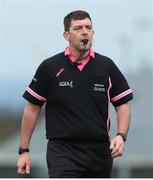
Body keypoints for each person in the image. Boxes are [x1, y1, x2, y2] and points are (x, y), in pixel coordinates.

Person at [17, 10, 133, 178]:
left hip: (99, 152)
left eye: (88, 27)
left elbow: (122, 104)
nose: (85, 32)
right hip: (63, 151)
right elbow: (32, 109)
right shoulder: (50, 67)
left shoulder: (106, 66)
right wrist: (24, 151)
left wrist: (121, 135)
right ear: (66, 35)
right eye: (78, 28)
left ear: (93, 33)